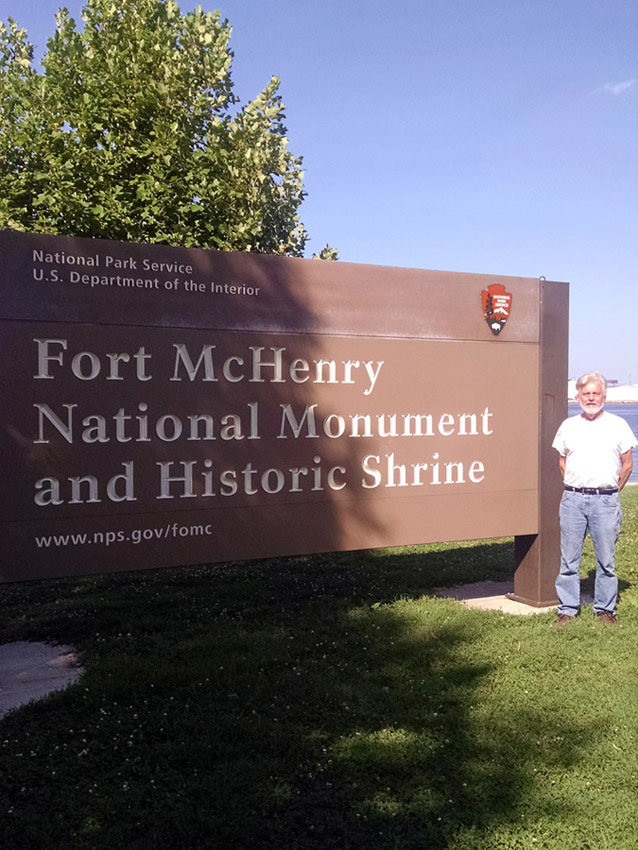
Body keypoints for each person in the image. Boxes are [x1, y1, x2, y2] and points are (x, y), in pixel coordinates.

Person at [552, 372, 636, 625]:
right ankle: (567, 609)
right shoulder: (568, 426)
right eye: (586, 393)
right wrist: (579, 486)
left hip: (606, 502)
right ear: (578, 397)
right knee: (569, 559)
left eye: (595, 393)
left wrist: (608, 492)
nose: (591, 398)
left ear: (604, 396)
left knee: (606, 560)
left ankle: (604, 609)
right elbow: (562, 462)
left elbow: (627, 465)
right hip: (573, 501)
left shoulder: (618, 425)